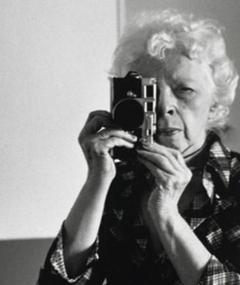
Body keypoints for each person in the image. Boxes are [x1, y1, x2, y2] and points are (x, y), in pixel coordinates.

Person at [37, 10, 240, 285]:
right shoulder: (123, 181)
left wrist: (166, 215)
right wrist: (98, 179)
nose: (162, 106)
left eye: (184, 90)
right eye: (150, 91)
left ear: (215, 102)